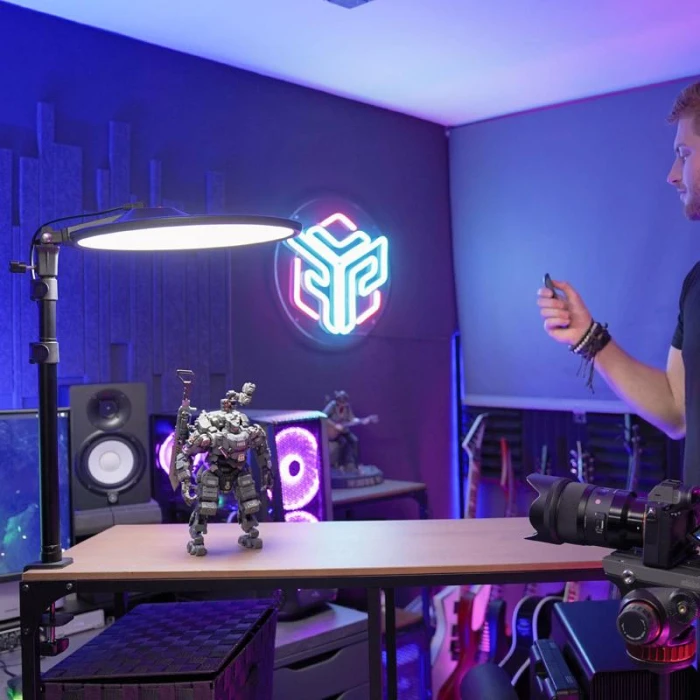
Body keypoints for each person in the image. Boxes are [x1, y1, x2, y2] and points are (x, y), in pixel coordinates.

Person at [537, 81, 700, 485]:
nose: (672, 175)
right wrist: (589, 337)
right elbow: (676, 410)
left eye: (684, 154)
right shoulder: (696, 284)